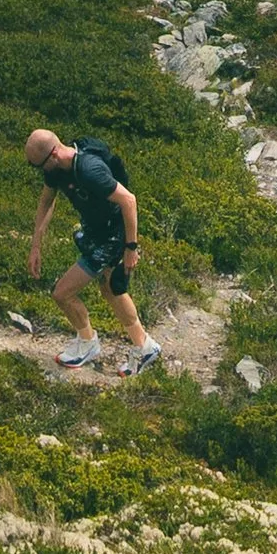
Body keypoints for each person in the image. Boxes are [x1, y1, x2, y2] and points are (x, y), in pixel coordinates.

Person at [24, 126, 162, 375]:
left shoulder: (89, 170)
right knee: (111, 289)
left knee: (62, 293)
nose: (40, 172)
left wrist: (131, 248)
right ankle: (144, 347)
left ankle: (88, 343)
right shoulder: (56, 170)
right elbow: (47, 200)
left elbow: (129, 200)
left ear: (53, 155)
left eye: (39, 165)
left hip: (112, 235)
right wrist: (35, 245)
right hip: (96, 230)